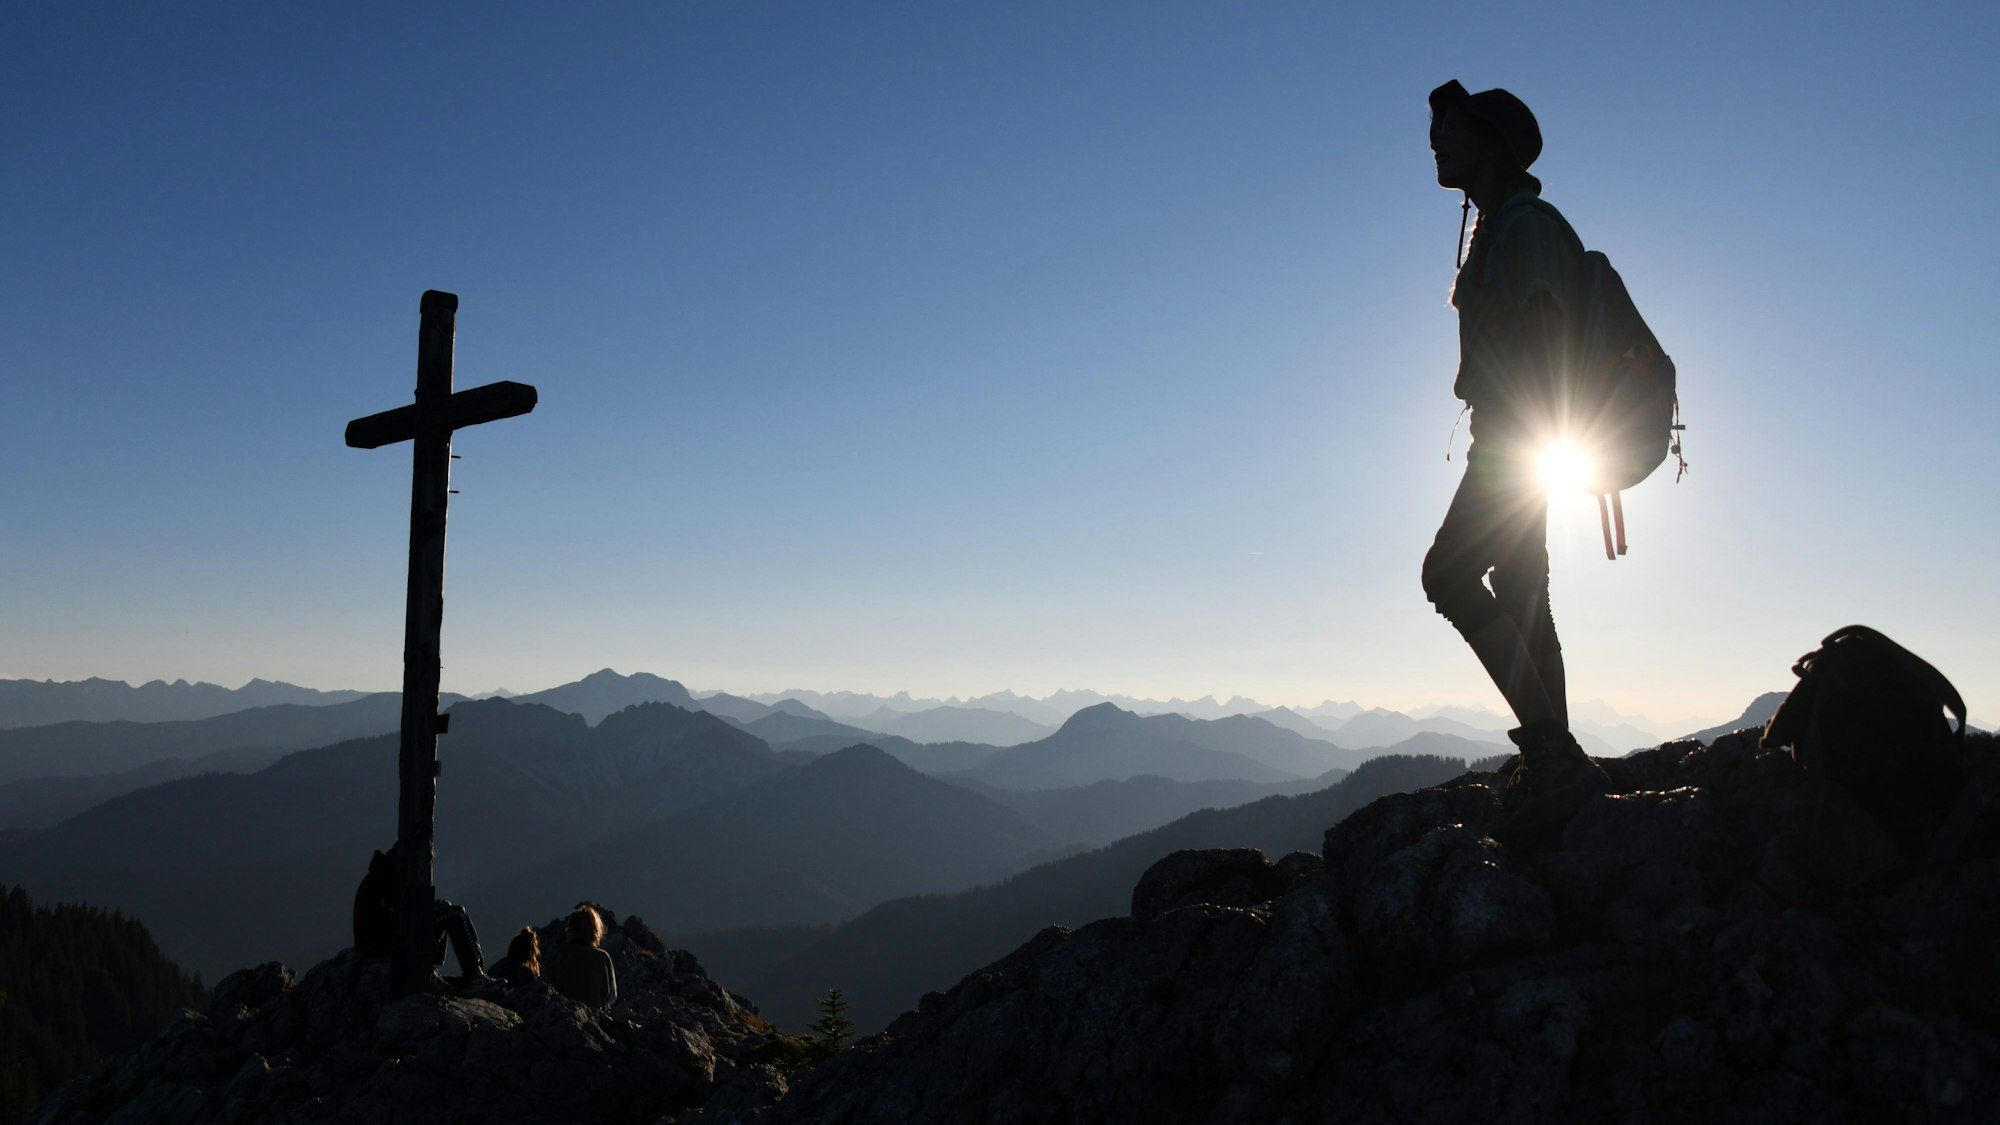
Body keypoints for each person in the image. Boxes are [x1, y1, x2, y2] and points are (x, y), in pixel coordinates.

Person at [1420, 79, 1611, 834]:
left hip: (1518, 439)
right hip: (1520, 438)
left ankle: (1553, 751)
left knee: (1449, 572)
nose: (1435, 141)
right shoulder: (1502, 226)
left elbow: (1542, 334)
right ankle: (1555, 761)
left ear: (1491, 144)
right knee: (1522, 582)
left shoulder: (1524, 227)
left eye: (1451, 130)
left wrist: (1525, 441)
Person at [351, 843, 490, 983]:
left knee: (444, 906)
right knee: (456, 913)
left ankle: (432, 969)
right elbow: (401, 912)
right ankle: (475, 973)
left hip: (377, 938)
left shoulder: (383, 871)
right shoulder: (387, 876)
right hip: (381, 942)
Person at [545, 904, 618, 1008]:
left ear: (571, 928)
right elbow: (612, 995)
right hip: (592, 1016)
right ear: (596, 929)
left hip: (561, 1012)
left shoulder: (558, 953)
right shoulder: (602, 957)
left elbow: (547, 986)